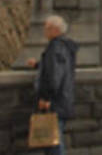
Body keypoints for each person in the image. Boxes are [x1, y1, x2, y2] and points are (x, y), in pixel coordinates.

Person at [27, 15, 78, 155]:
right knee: (53, 141)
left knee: (54, 143)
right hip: (63, 99)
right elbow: (58, 68)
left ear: (55, 30)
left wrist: (46, 98)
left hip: (56, 102)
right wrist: (38, 65)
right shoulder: (65, 47)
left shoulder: (55, 48)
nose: (45, 31)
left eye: (47, 28)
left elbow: (54, 76)